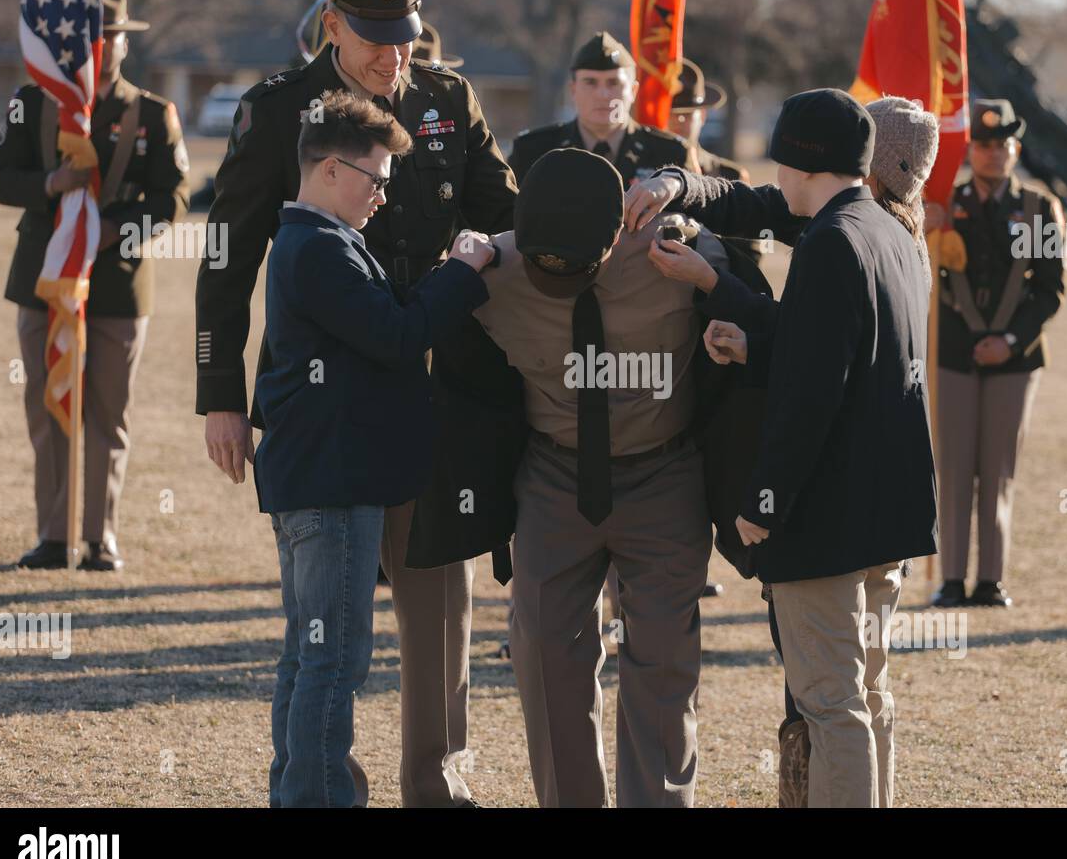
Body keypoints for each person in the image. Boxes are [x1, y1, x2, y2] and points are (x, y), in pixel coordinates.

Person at [195, 0, 517, 807]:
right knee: (328, 633)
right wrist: (219, 394)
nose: (394, 56)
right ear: (330, 23)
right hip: (330, 411)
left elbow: (506, 213)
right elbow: (225, 261)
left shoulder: (447, 101)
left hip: (437, 400)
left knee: (439, 616)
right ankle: (321, 787)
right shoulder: (277, 114)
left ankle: (435, 786)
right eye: (375, 38)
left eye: (405, 38)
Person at [624, 88, 938, 807]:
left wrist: (763, 503)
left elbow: (811, 398)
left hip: (826, 518)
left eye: (784, 163)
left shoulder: (831, 241)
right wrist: (758, 342)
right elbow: (843, 357)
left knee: (831, 707)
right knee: (868, 693)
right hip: (885, 510)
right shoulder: (888, 227)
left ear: (804, 161)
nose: (778, 179)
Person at [456, 148, 758, 806]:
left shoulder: (674, 253)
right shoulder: (494, 265)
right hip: (552, 480)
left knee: (663, 669)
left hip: (665, 476)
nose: (551, 273)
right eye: (542, 263)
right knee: (544, 660)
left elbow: (755, 293)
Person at [260, 90, 492, 808]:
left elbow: (380, 321)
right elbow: (396, 337)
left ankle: (297, 794)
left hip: (319, 478)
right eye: (377, 179)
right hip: (332, 486)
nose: (385, 197)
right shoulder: (322, 248)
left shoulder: (316, 239)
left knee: (308, 656)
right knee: (331, 662)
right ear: (331, 170)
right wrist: (464, 269)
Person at [0, 0, 189, 571]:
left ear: (123, 44)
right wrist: (49, 185)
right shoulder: (31, 102)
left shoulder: (153, 112)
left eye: (109, 38)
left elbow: (172, 197)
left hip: (118, 286)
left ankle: (101, 539)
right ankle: (54, 537)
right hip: (43, 280)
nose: (98, 47)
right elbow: (0, 178)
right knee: (49, 408)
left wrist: (113, 231)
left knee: (107, 413)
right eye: (85, 38)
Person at [930, 98, 1067, 609]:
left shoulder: (1038, 208)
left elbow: (1050, 289)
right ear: (970, 150)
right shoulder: (944, 205)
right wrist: (925, 226)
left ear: (1016, 149)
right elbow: (923, 280)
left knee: (998, 469)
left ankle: (991, 580)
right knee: (954, 468)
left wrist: (1008, 340)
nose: (992, 153)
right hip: (954, 353)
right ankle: (950, 579)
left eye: (1001, 144)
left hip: (1016, 357)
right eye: (982, 145)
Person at [508, 31, 693, 188]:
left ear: (634, 91)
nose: (603, 95)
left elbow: (695, 226)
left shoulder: (670, 155)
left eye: (614, 83)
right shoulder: (532, 151)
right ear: (573, 90)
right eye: (590, 82)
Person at [668, 59, 750, 182]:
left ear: (702, 116)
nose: (679, 119)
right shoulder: (638, 169)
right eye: (671, 113)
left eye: (687, 113)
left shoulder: (730, 176)